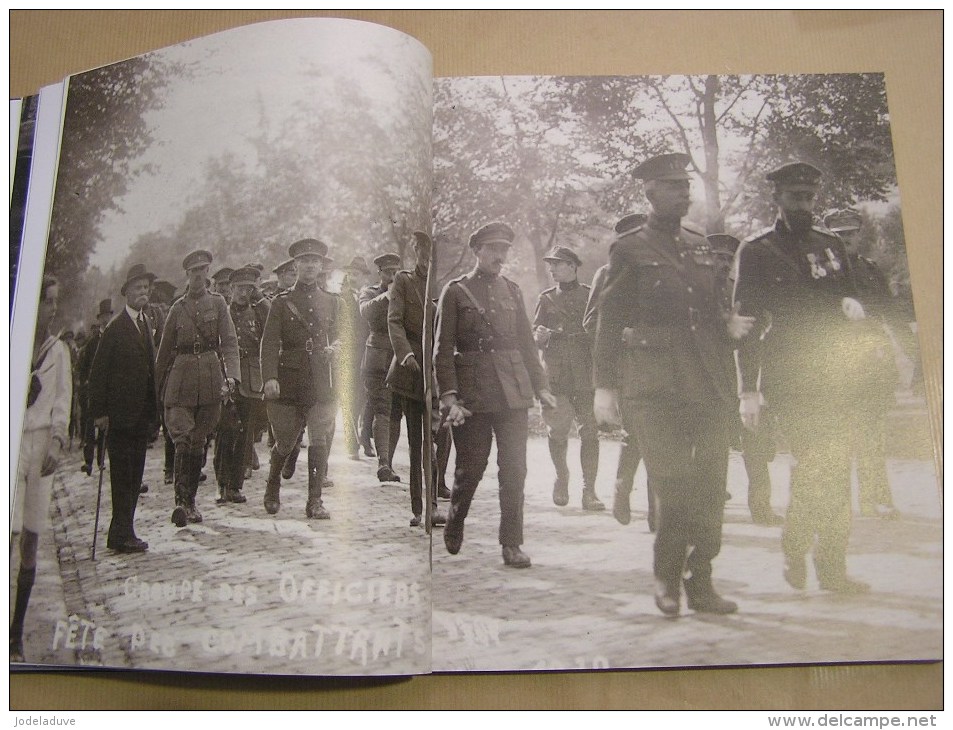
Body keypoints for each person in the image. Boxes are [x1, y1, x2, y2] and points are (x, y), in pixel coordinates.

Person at [593, 153, 754, 616]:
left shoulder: (700, 244)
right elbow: (608, 322)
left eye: (686, 185)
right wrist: (605, 387)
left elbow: (709, 310)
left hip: (705, 383)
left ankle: (700, 580)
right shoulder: (629, 248)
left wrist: (729, 322)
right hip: (654, 388)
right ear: (650, 193)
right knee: (676, 485)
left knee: (710, 486)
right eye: (673, 186)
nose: (684, 192)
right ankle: (667, 578)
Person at [734, 162, 870, 594]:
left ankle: (827, 565)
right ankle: (802, 550)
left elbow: (848, 293)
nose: (805, 205)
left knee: (833, 467)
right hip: (789, 374)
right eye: (796, 197)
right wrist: (749, 389)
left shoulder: (829, 243)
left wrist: (851, 305)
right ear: (777, 198)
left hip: (835, 372)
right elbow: (748, 322)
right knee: (818, 465)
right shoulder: (757, 250)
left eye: (810, 197)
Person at [435, 222, 556, 568]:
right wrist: (449, 398)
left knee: (515, 469)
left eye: (504, 250)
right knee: (470, 467)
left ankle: (511, 543)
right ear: (478, 251)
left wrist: (542, 386)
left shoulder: (513, 291)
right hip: (471, 395)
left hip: (512, 392)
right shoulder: (456, 292)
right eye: (492, 249)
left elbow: (526, 344)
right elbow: (442, 351)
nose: (499, 256)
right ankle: (456, 519)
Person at [824, 208, 908, 520]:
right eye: (839, 235)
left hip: (871, 362)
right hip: (833, 365)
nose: (846, 240)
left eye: (850, 234)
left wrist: (906, 351)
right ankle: (838, 503)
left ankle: (875, 497)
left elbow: (891, 313)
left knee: (872, 431)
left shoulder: (870, 271)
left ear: (859, 235)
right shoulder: (821, 275)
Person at [11, 275, 72, 662]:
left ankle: (15, 631)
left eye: (54, 301)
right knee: (10, 530)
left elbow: (62, 401)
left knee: (32, 533)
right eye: (45, 301)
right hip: (14, 443)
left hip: (42, 449)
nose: (51, 308)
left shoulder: (60, 351)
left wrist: (57, 441)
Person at [156, 249, 240, 528]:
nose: (199, 276)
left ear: (207, 273)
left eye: (203, 271)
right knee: (182, 437)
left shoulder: (218, 305)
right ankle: (181, 501)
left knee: (199, 441)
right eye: (194, 272)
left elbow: (228, 343)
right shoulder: (177, 309)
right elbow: (164, 352)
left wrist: (232, 377)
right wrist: (154, 392)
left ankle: (190, 500)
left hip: (210, 379)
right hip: (181, 380)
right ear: (187, 274)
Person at [259, 238, 341, 520]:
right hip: (289, 378)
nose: (310, 265)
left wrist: (337, 348)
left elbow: (345, 336)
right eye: (304, 261)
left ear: (321, 266)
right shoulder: (282, 303)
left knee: (319, 440)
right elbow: (269, 343)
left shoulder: (331, 301)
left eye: (315, 261)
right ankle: (272, 485)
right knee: (285, 440)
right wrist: (269, 377)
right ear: (295, 265)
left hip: (321, 379)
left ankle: (314, 501)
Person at [707, 233, 783, 527]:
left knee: (755, 442)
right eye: (717, 257)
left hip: (741, 376)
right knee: (713, 446)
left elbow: (758, 325)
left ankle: (761, 507)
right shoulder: (696, 294)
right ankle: (713, 504)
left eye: (728, 258)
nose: (723, 264)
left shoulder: (741, 290)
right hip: (709, 379)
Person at [585, 213, 651, 528]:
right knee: (638, 432)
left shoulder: (661, 271)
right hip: (627, 367)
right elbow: (591, 323)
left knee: (662, 435)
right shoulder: (607, 273)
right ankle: (623, 488)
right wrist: (622, 333)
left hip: (662, 365)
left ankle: (658, 512)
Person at [87, 264, 158, 553]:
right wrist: (100, 413)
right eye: (138, 288)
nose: (144, 292)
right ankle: (121, 534)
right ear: (126, 292)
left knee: (135, 476)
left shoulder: (146, 323)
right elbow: (98, 374)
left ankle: (123, 532)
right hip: (119, 418)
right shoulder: (116, 328)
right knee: (122, 478)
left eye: (146, 288)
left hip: (140, 416)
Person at [533, 245, 604, 511]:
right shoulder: (546, 299)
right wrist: (538, 335)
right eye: (550, 264)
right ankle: (562, 478)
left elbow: (597, 331)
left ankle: (589, 491)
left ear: (573, 266)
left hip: (586, 375)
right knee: (558, 432)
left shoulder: (590, 296)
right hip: (558, 376)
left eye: (558, 264)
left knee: (590, 434)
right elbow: (534, 332)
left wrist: (557, 335)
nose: (552, 269)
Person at [386, 231, 447, 528]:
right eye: (422, 252)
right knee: (416, 441)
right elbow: (393, 320)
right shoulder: (404, 281)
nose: (427, 258)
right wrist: (405, 354)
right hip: (410, 372)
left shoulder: (442, 286)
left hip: (434, 371)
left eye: (431, 253)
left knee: (435, 440)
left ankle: (434, 503)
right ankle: (419, 507)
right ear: (416, 253)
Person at [213, 266, 270, 504]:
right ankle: (222, 483)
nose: (244, 293)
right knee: (224, 432)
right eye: (239, 288)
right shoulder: (222, 313)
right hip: (227, 377)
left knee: (245, 433)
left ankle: (235, 486)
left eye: (249, 288)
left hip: (251, 379)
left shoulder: (258, 312)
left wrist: (260, 299)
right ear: (231, 289)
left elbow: (269, 332)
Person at [359, 252, 402, 482]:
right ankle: (383, 463)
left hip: (400, 357)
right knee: (383, 409)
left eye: (396, 272)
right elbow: (365, 311)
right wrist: (388, 294)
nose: (392, 276)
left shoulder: (405, 294)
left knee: (395, 412)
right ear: (380, 273)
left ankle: (389, 463)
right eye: (388, 272)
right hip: (377, 359)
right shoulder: (370, 293)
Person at [339, 256, 372, 460]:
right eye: (350, 273)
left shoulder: (367, 296)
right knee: (348, 398)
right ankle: (351, 444)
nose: (353, 277)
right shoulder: (341, 297)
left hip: (366, 353)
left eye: (357, 274)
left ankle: (363, 436)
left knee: (362, 397)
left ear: (363, 277)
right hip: (347, 354)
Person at [77, 298, 113, 476]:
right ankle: (89, 462)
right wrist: (85, 382)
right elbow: (83, 368)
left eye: (109, 315)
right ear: (99, 319)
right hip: (93, 390)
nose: (106, 319)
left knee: (106, 428)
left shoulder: (115, 337)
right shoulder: (92, 342)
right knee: (90, 427)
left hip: (109, 390)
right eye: (103, 316)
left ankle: (101, 461)